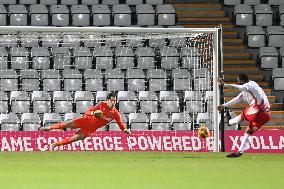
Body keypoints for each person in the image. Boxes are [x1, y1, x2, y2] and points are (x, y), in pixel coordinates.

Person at [39, 92, 131, 150]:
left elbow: (120, 123)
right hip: (85, 120)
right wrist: (93, 113)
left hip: (91, 128)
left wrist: (125, 130)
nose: (113, 102)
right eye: (112, 100)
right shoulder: (100, 105)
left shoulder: (115, 113)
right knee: (67, 124)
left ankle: (54, 145)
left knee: (74, 139)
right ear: (107, 100)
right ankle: (48, 128)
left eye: (115, 101)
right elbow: (88, 111)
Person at [218, 73, 271, 158]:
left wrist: (224, 85)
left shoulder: (249, 86)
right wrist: (224, 106)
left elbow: (238, 87)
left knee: (245, 113)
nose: (238, 82)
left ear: (241, 80)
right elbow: (237, 99)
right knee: (248, 132)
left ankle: (230, 122)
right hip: (266, 115)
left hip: (258, 111)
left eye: (238, 80)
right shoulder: (249, 88)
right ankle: (239, 151)